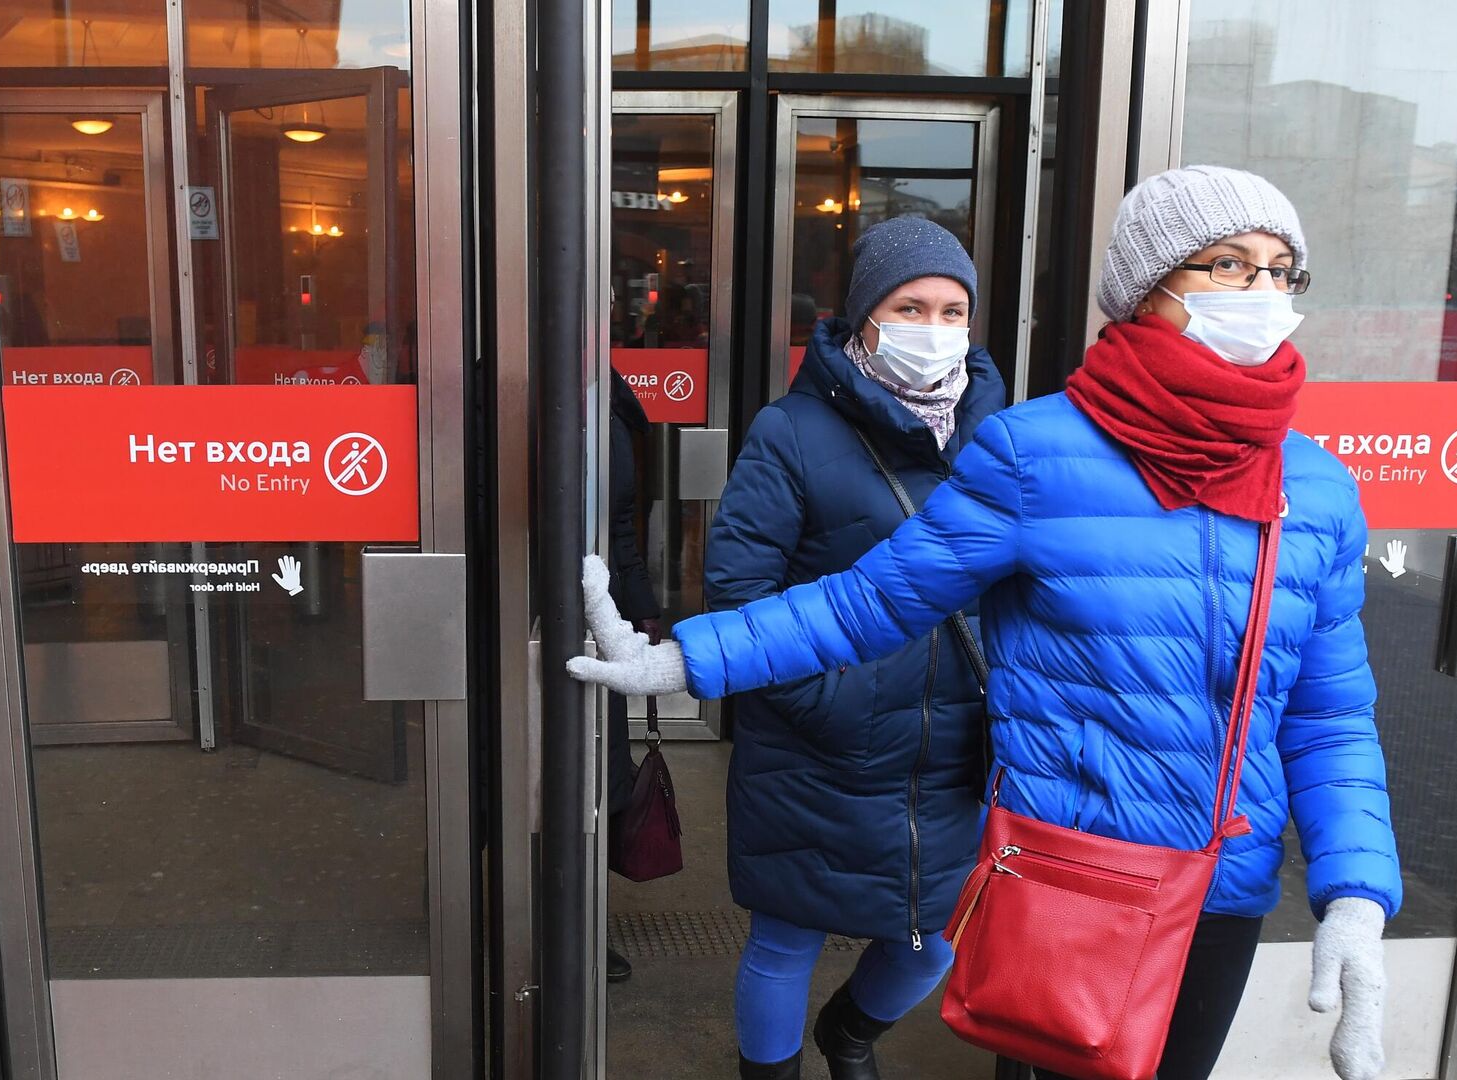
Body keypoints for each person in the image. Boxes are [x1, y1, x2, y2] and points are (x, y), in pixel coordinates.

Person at [570, 166, 1401, 1080]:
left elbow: (1327, 714)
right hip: (1075, 876)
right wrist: (686, 658)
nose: (1265, 295)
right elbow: (873, 598)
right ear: (1147, 289)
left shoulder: (1314, 487)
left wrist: (1355, 894)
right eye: (1231, 266)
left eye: (1283, 272)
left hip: (1223, 891)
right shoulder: (1036, 451)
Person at [706, 216, 1006, 1080]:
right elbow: (737, 599)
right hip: (818, 745)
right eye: (911, 306)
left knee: (931, 940)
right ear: (863, 319)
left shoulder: (1002, 436)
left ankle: (850, 1035)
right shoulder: (791, 432)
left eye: (954, 310)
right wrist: (835, 706)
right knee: (785, 938)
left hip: (953, 754)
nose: (935, 328)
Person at [604, 367, 661, 984]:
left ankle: (577, 918)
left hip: (600, 615)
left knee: (600, 773)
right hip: (510, 614)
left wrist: (642, 606)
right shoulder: (494, 394)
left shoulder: (608, 402)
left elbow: (620, 521)